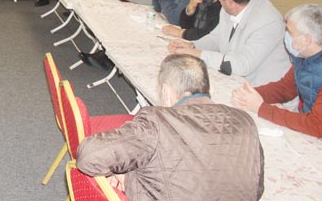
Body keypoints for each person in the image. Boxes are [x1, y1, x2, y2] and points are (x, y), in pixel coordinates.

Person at [76, 54, 264, 201]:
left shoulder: (157, 121)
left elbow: (89, 156)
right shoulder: (246, 122)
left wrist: (128, 178)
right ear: (210, 90)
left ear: (166, 93)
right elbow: (257, 189)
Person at [169, 0, 290, 86]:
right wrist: (193, 46)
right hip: (237, 80)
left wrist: (198, 54)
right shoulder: (229, 9)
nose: (218, 1)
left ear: (229, 2)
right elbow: (216, 38)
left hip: (263, 89)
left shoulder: (267, 21)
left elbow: (243, 65)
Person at [232, 4, 322, 138]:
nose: (286, 36)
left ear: (307, 40)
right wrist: (250, 94)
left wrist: (261, 108)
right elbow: (285, 89)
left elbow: (316, 125)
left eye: (290, 32)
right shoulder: (303, 58)